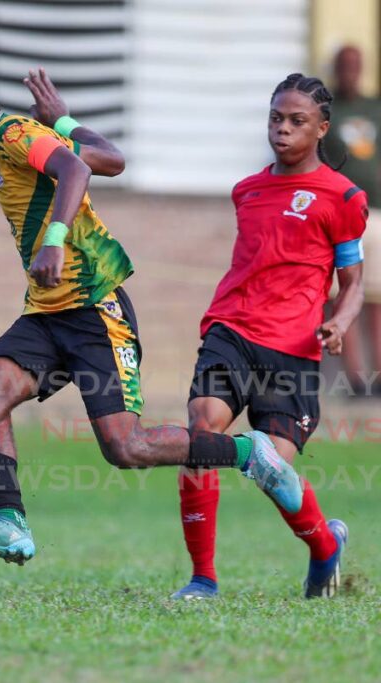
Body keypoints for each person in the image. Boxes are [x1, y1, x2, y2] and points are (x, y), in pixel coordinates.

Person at [0, 69, 304, 566]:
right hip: (48, 312)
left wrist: (54, 239)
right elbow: (112, 160)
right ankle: (7, 522)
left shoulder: (13, 134)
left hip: (95, 310)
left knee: (127, 448)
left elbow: (77, 172)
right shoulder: (11, 145)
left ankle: (253, 456)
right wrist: (66, 122)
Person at [172, 74, 364, 601]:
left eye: (296, 121)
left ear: (321, 128)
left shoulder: (344, 197)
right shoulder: (248, 190)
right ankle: (203, 578)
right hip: (230, 329)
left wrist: (340, 322)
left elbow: (353, 282)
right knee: (200, 435)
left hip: (293, 349)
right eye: (276, 118)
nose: (282, 129)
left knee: (270, 466)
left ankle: (325, 547)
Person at [322, 45, 381, 397]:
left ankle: (378, 377)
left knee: (375, 296)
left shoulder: (373, 108)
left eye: (354, 65)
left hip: (377, 214)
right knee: (345, 295)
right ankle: (356, 380)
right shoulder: (328, 111)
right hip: (344, 218)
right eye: (343, 65)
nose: (349, 71)